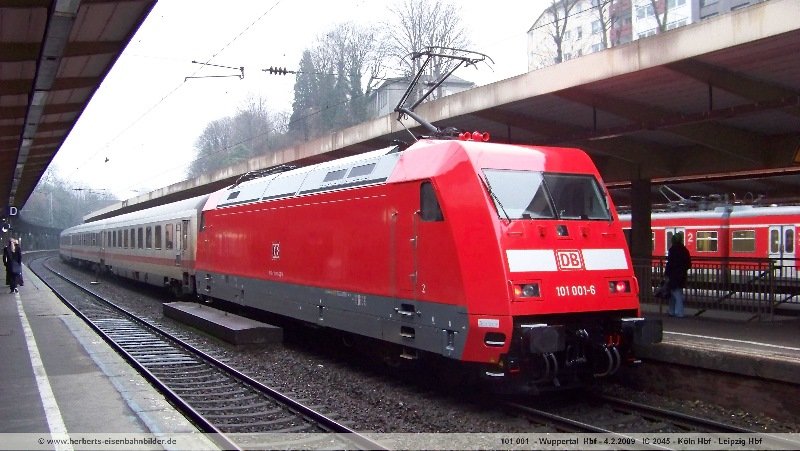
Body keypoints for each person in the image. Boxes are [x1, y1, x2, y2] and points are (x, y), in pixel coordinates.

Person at [665, 232, 691, 317]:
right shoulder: (685, 250)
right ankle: (672, 311)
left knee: (675, 293)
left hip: (673, 275)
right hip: (682, 275)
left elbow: (670, 263)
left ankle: (679, 312)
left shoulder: (672, 250)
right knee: (675, 293)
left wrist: (666, 274)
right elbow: (689, 264)